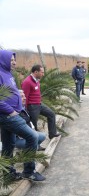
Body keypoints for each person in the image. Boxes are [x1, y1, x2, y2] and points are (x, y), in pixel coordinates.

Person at [0, 50, 45, 181]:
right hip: (8, 115)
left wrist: (18, 95)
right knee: (32, 136)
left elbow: (10, 91)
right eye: (11, 60)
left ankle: (9, 174)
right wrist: (11, 111)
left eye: (14, 60)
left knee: (8, 145)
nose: (14, 62)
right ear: (3, 60)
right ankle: (29, 171)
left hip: (12, 113)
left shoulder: (8, 73)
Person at [21, 64, 61, 139]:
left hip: (39, 104)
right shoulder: (27, 82)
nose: (43, 74)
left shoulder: (37, 80)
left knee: (51, 114)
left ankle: (52, 134)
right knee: (33, 124)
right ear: (36, 72)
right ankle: (36, 144)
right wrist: (25, 110)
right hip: (32, 106)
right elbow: (24, 97)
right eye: (42, 72)